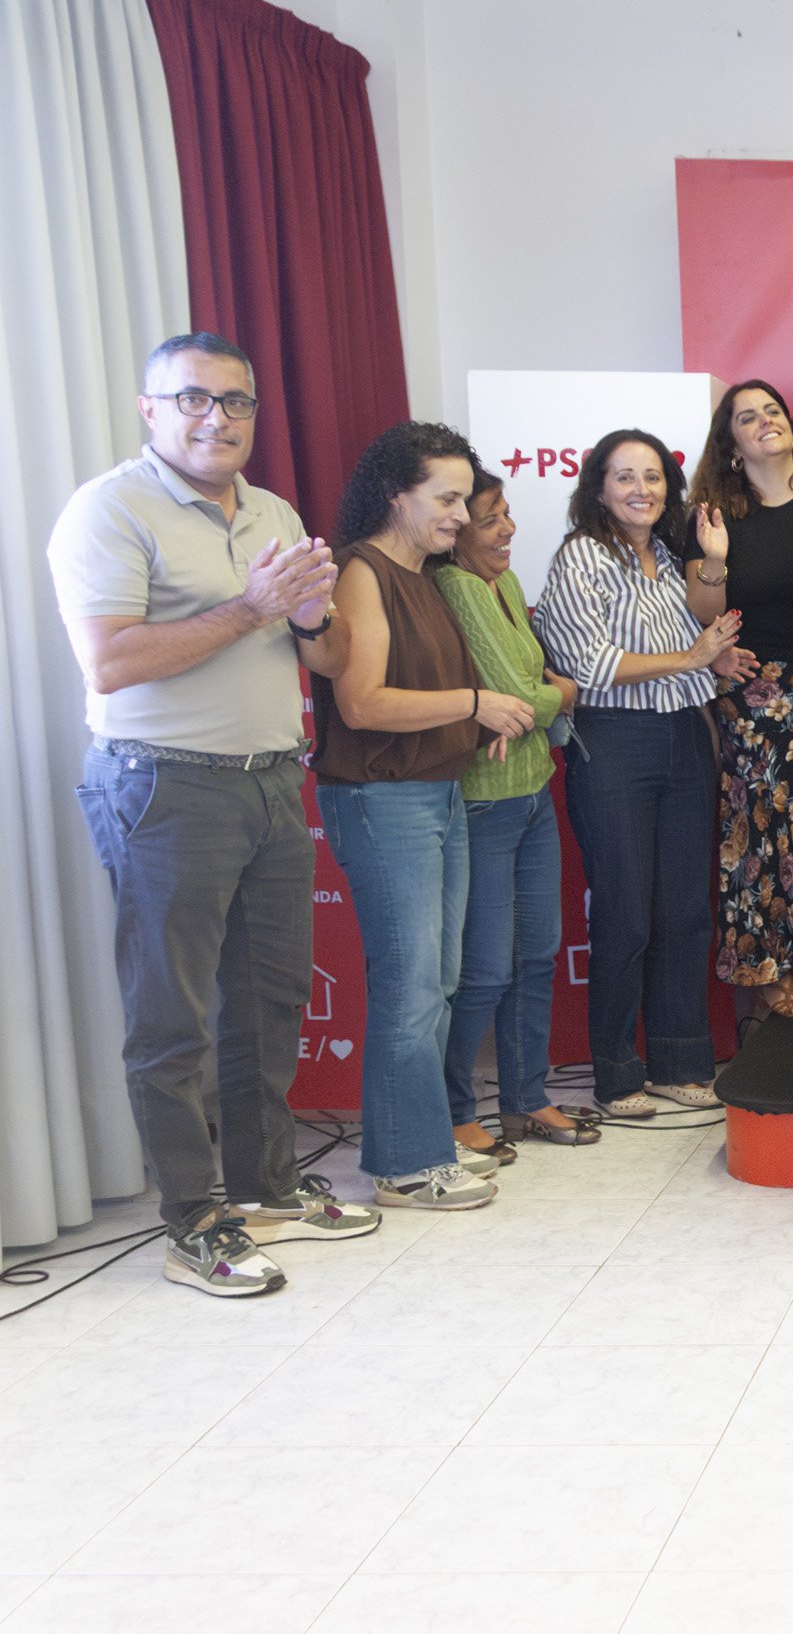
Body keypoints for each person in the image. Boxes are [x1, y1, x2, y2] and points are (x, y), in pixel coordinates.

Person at [51, 332, 375, 1295]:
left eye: (236, 403)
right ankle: (194, 1222)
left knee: (271, 1001)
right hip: (164, 782)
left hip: (274, 777)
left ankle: (268, 1186)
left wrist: (312, 614)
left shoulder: (271, 506)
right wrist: (250, 605)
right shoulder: (110, 510)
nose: (217, 419)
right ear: (151, 409)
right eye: (193, 399)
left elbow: (324, 654)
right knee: (172, 1015)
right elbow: (109, 661)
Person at [314, 422, 534, 1210]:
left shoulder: (427, 576)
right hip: (383, 801)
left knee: (434, 980)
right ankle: (407, 1165)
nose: (459, 515)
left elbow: (424, 696)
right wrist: (475, 702)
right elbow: (364, 702)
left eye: (462, 498)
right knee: (411, 984)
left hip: (437, 790)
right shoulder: (362, 572)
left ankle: (417, 1144)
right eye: (444, 499)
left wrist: (479, 723)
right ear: (393, 494)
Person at [536, 428, 752, 1118]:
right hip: (614, 743)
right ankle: (617, 1070)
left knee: (686, 911)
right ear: (597, 486)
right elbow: (592, 666)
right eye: (624, 476)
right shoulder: (580, 558)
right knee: (625, 911)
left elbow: (699, 631)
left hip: (685, 733)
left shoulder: (665, 553)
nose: (641, 489)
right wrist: (691, 658)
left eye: (653, 476)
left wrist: (707, 653)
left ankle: (680, 1060)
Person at [685, 380, 793, 1022]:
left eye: (772, 411)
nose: (765, 421)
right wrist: (714, 562)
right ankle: (767, 968)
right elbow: (703, 613)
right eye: (746, 417)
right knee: (761, 836)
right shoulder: (715, 512)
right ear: (730, 444)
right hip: (756, 696)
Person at [435, 463, 599, 1155]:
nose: (507, 528)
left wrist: (543, 694)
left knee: (537, 954)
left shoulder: (504, 579)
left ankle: (527, 1101)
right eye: (490, 517)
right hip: (484, 802)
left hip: (533, 789)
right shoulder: (455, 585)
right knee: (484, 968)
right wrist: (555, 694)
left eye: (506, 513)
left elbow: (530, 688)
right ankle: (452, 1107)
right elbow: (517, 691)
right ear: (453, 529)